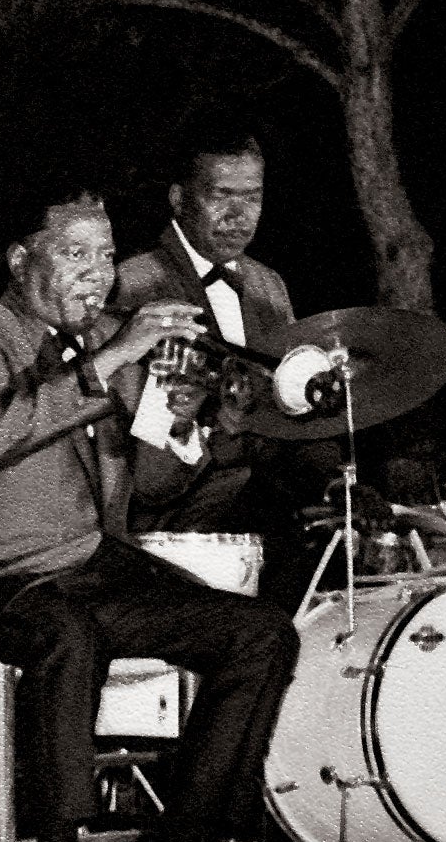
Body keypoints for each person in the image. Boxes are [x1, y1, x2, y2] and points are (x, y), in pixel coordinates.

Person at [0, 183, 298, 842]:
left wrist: (192, 417)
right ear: (23, 260)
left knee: (262, 634)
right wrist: (115, 358)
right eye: (76, 254)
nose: (97, 273)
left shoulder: (113, 351)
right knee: (68, 632)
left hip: (90, 568)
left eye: (106, 255)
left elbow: (153, 489)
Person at [114, 117, 330, 610]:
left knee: (344, 524)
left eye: (252, 197)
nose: (239, 214)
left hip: (261, 495)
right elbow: (130, 440)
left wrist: (333, 480)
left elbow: (291, 408)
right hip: (171, 508)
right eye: (221, 195)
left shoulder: (268, 286)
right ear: (179, 199)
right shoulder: (134, 283)